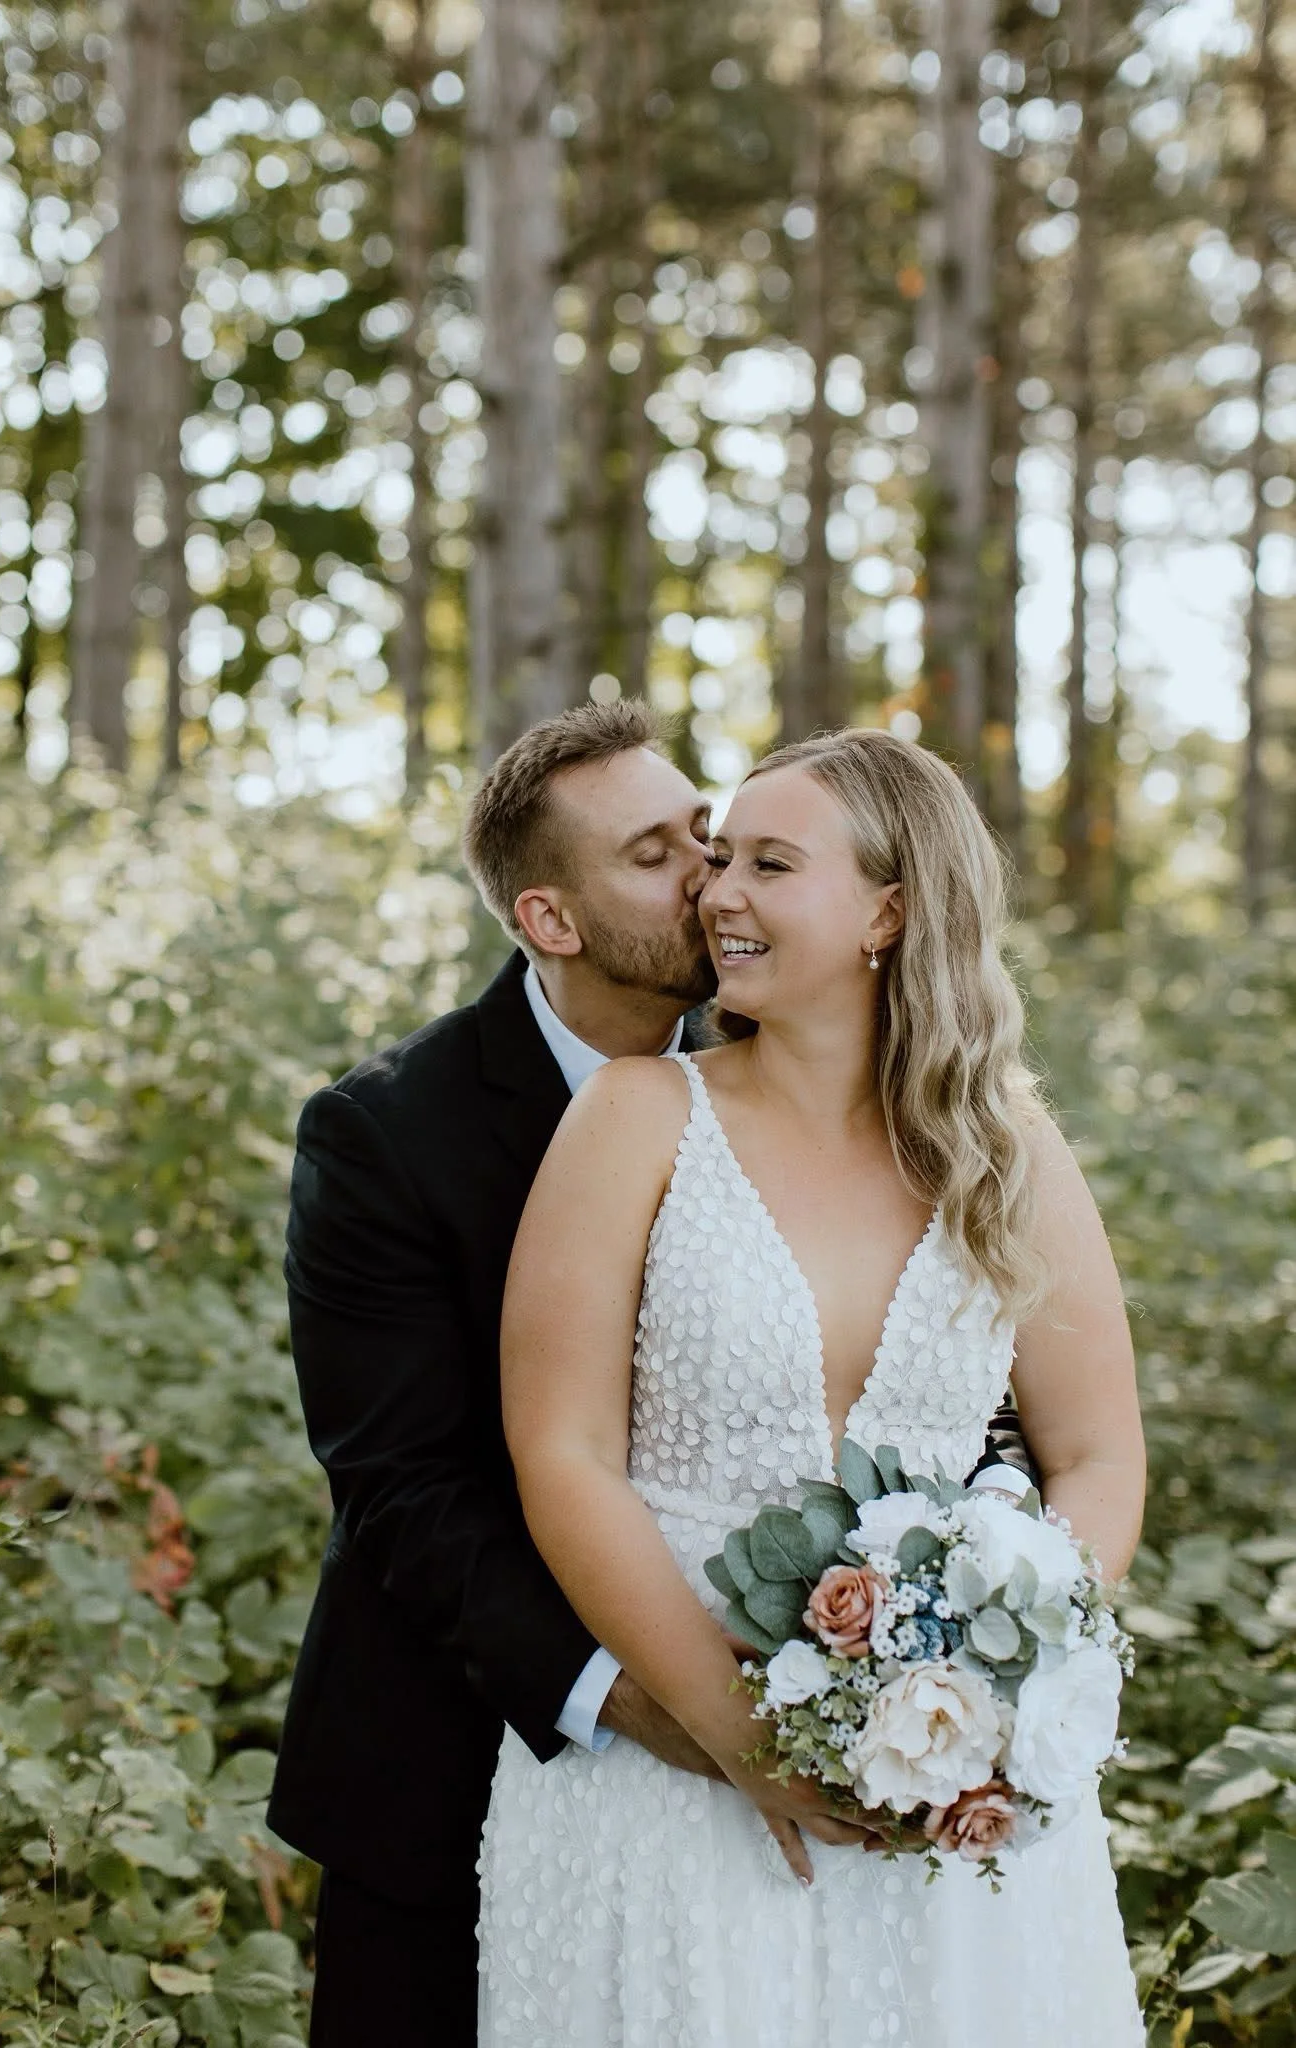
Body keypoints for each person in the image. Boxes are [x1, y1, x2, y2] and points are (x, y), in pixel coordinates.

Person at [267, 705, 1034, 2045]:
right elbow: (405, 1491)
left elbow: (970, 1397)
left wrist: (942, 1647)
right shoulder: (387, 1135)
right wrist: (678, 1709)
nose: (712, 874)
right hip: (468, 1742)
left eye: (712, 833)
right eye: (656, 853)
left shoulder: (851, 1092)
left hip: (833, 1741)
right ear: (550, 920)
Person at [482, 728, 1147, 2047]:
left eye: (767, 864)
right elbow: (560, 1452)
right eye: (715, 857)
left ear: (888, 912)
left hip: (945, 1779)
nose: (716, 893)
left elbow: (1096, 1456)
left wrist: (994, 1695)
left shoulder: (1004, 1151)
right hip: (668, 1771)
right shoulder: (631, 1118)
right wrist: (732, 1731)